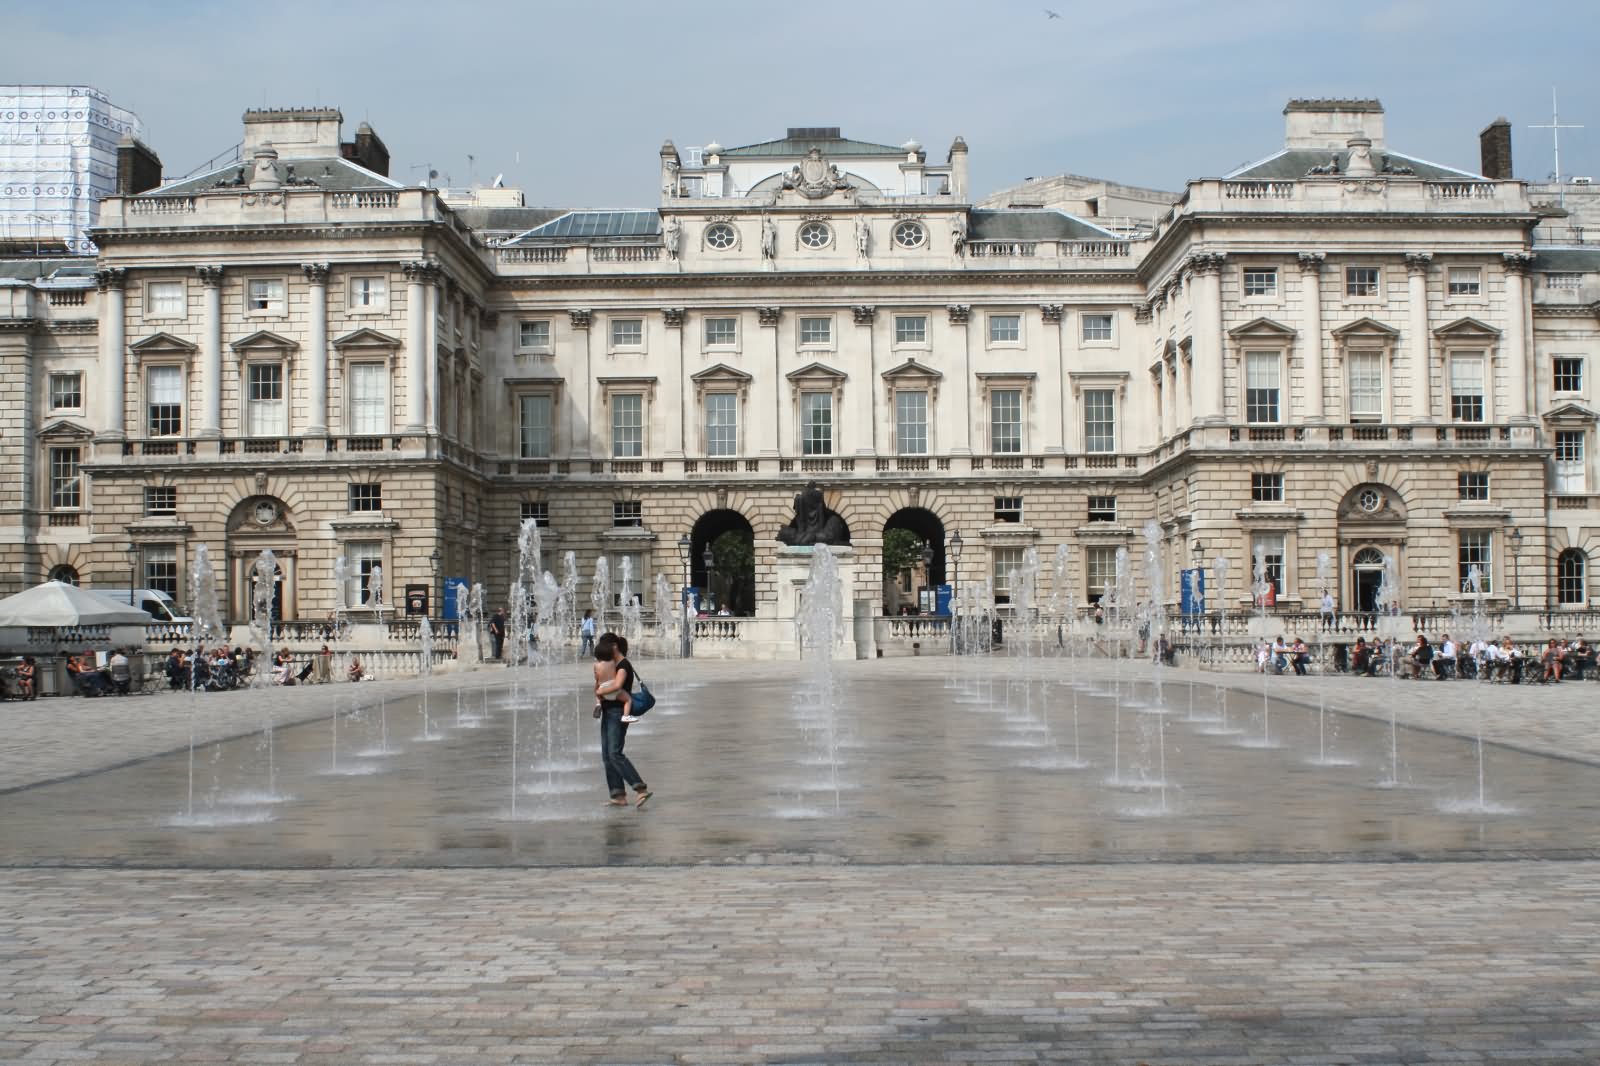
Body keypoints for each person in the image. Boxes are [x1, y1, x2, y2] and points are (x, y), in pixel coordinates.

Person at [592, 632, 650, 808]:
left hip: (618, 712)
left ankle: (641, 789)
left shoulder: (623, 665)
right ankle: (617, 794)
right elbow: (601, 683)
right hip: (609, 711)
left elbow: (617, 686)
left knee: (615, 753)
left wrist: (600, 692)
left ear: (614, 646)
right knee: (607, 755)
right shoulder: (612, 664)